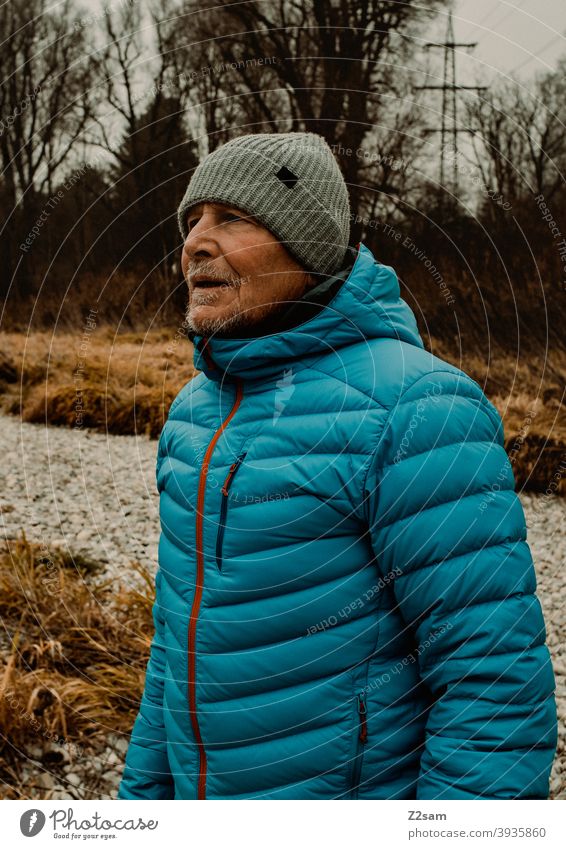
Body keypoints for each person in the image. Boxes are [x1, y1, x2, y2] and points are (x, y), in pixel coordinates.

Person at [118, 132, 557, 800]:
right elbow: (174, 652)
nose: (196, 242)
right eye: (192, 220)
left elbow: (491, 681)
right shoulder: (193, 415)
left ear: (309, 246)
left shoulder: (417, 406)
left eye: (232, 217)